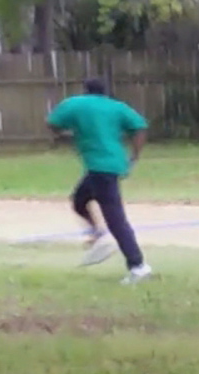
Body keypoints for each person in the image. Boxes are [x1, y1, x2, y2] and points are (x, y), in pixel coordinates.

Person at [46, 78, 154, 283]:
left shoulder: (75, 104)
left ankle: (138, 265)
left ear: (86, 91)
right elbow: (140, 127)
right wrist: (134, 157)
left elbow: (52, 123)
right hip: (112, 164)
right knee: (79, 200)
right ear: (105, 92)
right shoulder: (117, 107)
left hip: (100, 168)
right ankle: (99, 236)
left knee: (115, 219)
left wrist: (68, 133)